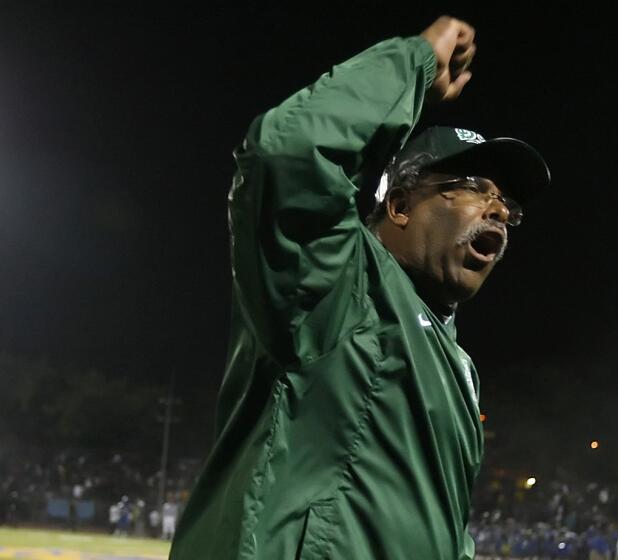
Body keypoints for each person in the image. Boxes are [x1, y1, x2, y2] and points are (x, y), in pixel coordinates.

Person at [170, 15, 549, 560]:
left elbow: (439, 520)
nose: (497, 209)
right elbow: (288, 155)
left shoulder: (455, 365)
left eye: (507, 207)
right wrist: (412, 62)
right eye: (471, 187)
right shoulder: (337, 281)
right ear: (397, 205)